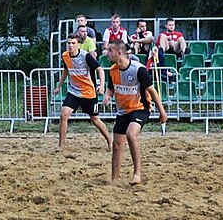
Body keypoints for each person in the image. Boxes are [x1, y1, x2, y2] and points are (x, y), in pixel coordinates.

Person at [102, 40, 168, 185]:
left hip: (140, 108)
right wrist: (107, 96)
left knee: (131, 134)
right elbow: (111, 88)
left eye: (110, 51)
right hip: (123, 110)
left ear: (119, 53)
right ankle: (114, 179)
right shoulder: (113, 70)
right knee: (117, 145)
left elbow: (152, 91)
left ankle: (137, 173)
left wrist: (162, 112)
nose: (107, 53)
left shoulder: (138, 69)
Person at [54, 33, 112, 150]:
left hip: (88, 92)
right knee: (63, 115)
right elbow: (66, 71)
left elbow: (99, 69)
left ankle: (110, 141)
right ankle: (61, 145)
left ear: (78, 45)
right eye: (69, 43)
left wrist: (101, 85)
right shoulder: (65, 56)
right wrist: (59, 86)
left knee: (95, 119)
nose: (70, 46)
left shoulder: (86, 56)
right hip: (74, 91)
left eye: (73, 43)